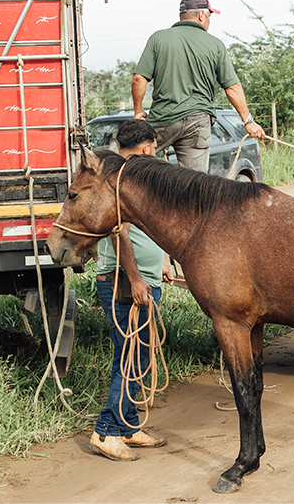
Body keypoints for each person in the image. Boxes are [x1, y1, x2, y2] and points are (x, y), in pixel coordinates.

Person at [90, 119, 172, 461]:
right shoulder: (120, 178)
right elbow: (119, 233)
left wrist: (160, 264)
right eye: (152, 150)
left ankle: (129, 426)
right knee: (128, 358)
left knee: (139, 356)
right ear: (146, 147)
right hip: (124, 284)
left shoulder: (128, 174)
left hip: (142, 279)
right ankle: (106, 432)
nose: (153, 155)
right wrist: (137, 279)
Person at [132, 0, 265, 173]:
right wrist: (248, 121)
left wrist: (138, 111)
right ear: (201, 15)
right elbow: (232, 87)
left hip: (162, 120)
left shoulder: (158, 38)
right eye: (209, 16)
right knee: (194, 185)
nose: (209, 21)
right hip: (197, 123)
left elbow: (139, 78)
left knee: (132, 166)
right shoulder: (215, 45)